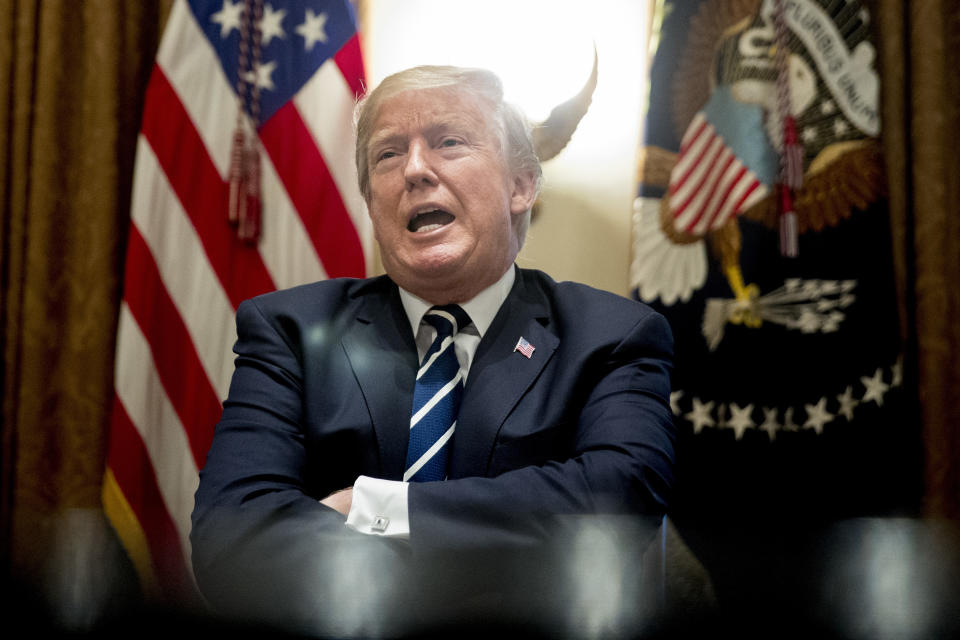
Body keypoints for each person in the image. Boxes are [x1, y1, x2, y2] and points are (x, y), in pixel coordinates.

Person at [190, 65, 675, 636]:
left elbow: (618, 497)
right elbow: (231, 539)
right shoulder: (290, 330)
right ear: (372, 203)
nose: (416, 169)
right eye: (388, 155)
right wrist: (495, 545)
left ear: (521, 186)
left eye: (448, 142)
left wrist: (378, 511)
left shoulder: (609, 336)